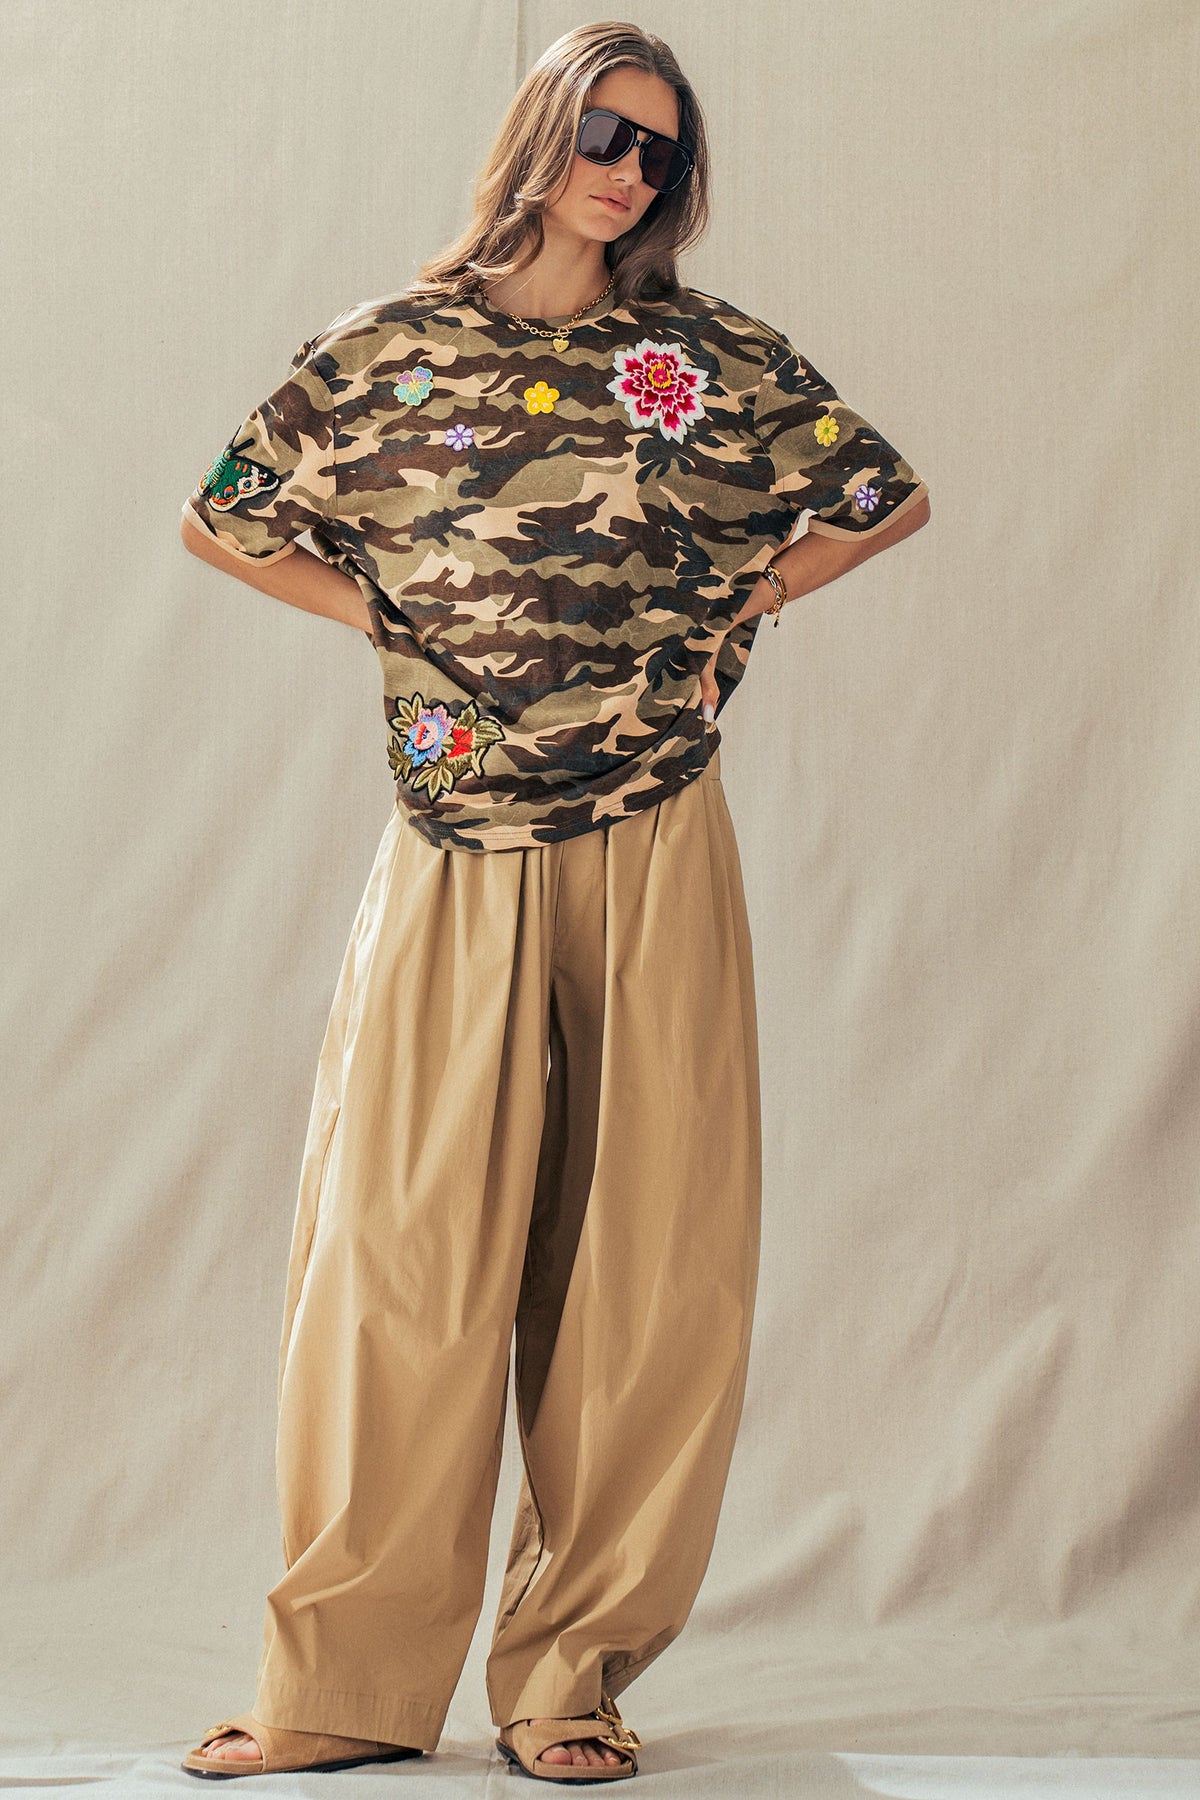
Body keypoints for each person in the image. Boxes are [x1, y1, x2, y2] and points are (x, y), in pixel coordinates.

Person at [177, 19, 930, 1785]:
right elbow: (228, 517)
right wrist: (384, 624)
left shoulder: (709, 358)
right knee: (397, 1259)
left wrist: (746, 608)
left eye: (662, 151)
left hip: (655, 830)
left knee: (646, 1272)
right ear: (540, 133)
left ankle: (568, 1677)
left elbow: (881, 498)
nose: (629, 171)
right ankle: (344, 1688)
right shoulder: (389, 349)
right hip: (456, 836)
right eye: (605, 132)